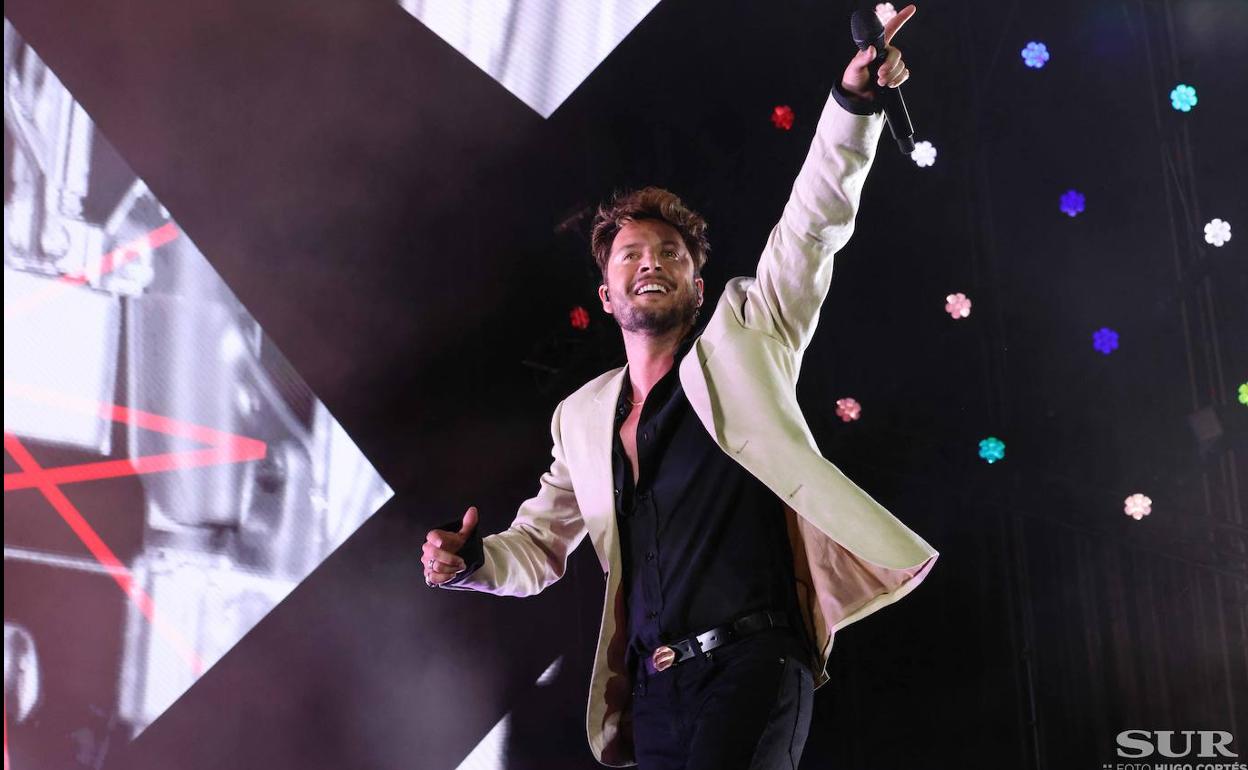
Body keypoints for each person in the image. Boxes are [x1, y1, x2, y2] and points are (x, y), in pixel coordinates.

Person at [423, 5, 936, 768]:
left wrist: (852, 102)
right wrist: (472, 566)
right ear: (605, 294)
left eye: (669, 252)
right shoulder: (583, 417)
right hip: (652, 690)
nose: (650, 263)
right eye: (629, 255)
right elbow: (538, 545)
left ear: (698, 286)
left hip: (756, 662)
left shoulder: (747, 335)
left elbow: (813, 224)